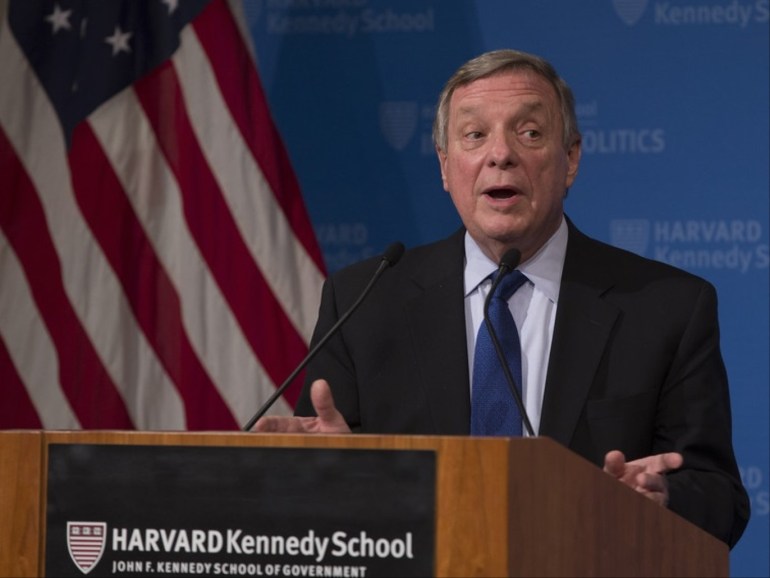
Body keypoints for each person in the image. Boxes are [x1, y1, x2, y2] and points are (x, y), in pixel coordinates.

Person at [254, 49, 749, 547]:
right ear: (446, 168)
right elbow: (314, 488)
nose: (501, 154)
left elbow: (719, 497)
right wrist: (330, 473)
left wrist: (660, 498)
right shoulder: (364, 300)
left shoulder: (666, 308)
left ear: (571, 159)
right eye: (474, 135)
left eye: (529, 133)